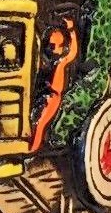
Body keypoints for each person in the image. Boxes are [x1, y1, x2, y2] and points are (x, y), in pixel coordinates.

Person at [29, 18, 79, 152]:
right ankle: (31, 147)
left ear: (63, 45)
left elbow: (73, 52)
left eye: (59, 45)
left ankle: (33, 150)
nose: (55, 49)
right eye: (52, 45)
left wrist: (71, 30)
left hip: (53, 97)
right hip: (43, 94)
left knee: (40, 124)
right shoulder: (46, 61)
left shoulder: (62, 61)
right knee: (35, 122)